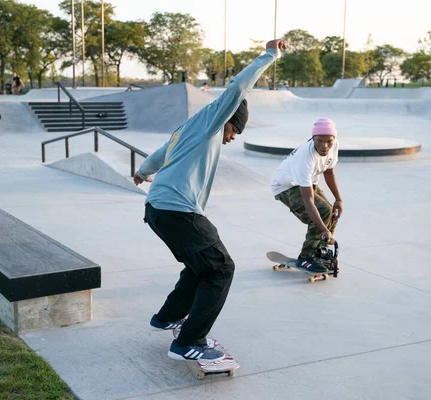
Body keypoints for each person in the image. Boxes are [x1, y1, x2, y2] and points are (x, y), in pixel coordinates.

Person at [134, 39, 286, 362]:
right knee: (221, 269)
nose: (231, 138)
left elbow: (162, 152)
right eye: (235, 132)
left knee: (200, 264)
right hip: (177, 210)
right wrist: (270, 54)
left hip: (157, 209)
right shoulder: (211, 122)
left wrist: (141, 171)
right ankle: (189, 341)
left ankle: (166, 317)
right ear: (229, 119)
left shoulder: (185, 129)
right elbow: (238, 87)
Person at [270, 118, 343, 272]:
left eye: (329, 141)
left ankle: (319, 252)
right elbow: (309, 202)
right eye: (319, 141)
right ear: (312, 139)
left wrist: (338, 199)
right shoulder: (305, 158)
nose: (324, 146)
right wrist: (324, 229)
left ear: (334, 139)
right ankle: (306, 257)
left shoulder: (333, 145)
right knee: (321, 212)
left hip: (308, 181)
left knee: (331, 212)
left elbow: (329, 172)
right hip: (286, 186)